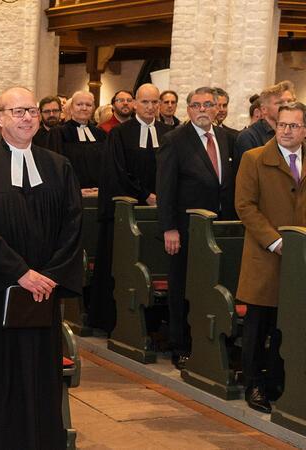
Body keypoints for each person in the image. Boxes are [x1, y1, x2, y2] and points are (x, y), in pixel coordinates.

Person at [0, 87, 82, 449]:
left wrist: (50, 276)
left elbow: (73, 226)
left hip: (43, 295)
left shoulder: (59, 166)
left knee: (39, 377)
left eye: (32, 111)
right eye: (18, 111)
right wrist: (21, 274)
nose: (27, 118)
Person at [156, 86, 237, 370]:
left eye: (208, 105)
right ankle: (181, 345)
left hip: (219, 227)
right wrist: (169, 228)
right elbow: (165, 188)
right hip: (185, 228)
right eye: (196, 105)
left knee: (213, 285)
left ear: (217, 109)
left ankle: (212, 341)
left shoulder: (228, 139)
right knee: (182, 287)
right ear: (188, 110)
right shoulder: (175, 140)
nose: (202, 109)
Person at [234, 102, 306, 413]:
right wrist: (275, 241)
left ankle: (278, 381)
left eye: (294, 126)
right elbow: (245, 206)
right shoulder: (254, 159)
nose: (287, 131)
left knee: (286, 324)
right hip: (266, 255)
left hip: (299, 257)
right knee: (257, 326)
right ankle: (253, 384)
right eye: (282, 125)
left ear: (304, 130)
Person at [91, 83, 173, 332]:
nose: (150, 107)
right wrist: (144, 194)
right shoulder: (120, 134)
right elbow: (117, 171)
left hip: (160, 210)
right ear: (136, 103)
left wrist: (163, 195)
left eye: (154, 102)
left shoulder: (168, 133)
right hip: (129, 211)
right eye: (145, 102)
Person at [48, 90, 107, 190]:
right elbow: (54, 166)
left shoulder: (101, 134)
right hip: (69, 191)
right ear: (71, 108)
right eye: (79, 104)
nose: (84, 108)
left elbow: (107, 164)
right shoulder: (58, 133)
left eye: (88, 105)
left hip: (98, 191)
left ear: (93, 109)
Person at [235, 82, 296, 162]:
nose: (287, 106)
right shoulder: (249, 136)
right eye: (280, 103)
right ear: (264, 109)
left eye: (290, 101)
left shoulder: (297, 132)